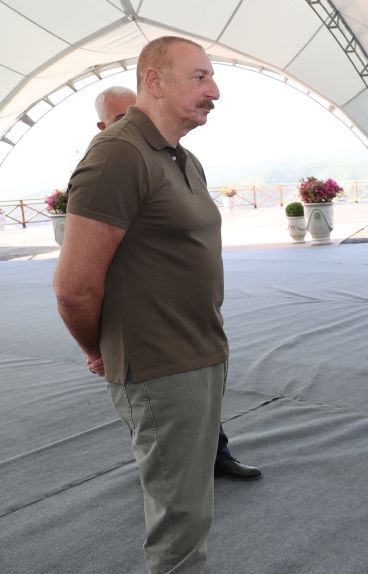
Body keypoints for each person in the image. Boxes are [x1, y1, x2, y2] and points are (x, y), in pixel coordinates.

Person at [54, 36, 236, 574]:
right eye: (200, 77)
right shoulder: (119, 154)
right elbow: (74, 287)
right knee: (180, 532)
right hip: (160, 369)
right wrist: (98, 349)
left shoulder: (182, 158)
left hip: (199, 355)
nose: (215, 91)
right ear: (154, 81)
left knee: (191, 513)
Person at [94, 85, 261, 483]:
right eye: (122, 118)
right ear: (102, 126)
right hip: (146, 326)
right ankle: (165, 472)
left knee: (201, 396)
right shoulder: (108, 166)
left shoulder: (179, 159)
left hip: (194, 319)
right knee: (158, 418)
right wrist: (96, 344)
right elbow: (83, 274)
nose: (135, 122)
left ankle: (216, 455)